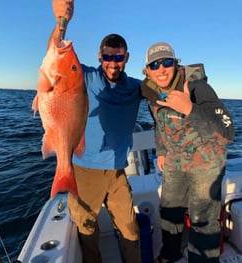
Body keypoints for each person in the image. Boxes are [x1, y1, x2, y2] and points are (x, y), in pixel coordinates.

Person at [51, 1, 143, 262]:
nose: (113, 64)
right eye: (108, 57)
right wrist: (62, 22)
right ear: (99, 57)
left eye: (118, 57)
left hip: (116, 172)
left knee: (130, 229)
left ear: (126, 58)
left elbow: (162, 91)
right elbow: (57, 55)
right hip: (82, 170)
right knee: (87, 229)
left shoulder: (135, 88)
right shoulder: (84, 77)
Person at [141, 42, 234, 263]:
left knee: (203, 220)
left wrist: (189, 109)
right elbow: (159, 124)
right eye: (155, 65)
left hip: (206, 163)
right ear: (147, 71)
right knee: (169, 211)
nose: (161, 69)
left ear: (176, 64)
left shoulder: (197, 88)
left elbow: (227, 133)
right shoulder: (151, 92)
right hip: (175, 161)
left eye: (167, 62)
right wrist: (162, 151)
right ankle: (169, 255)